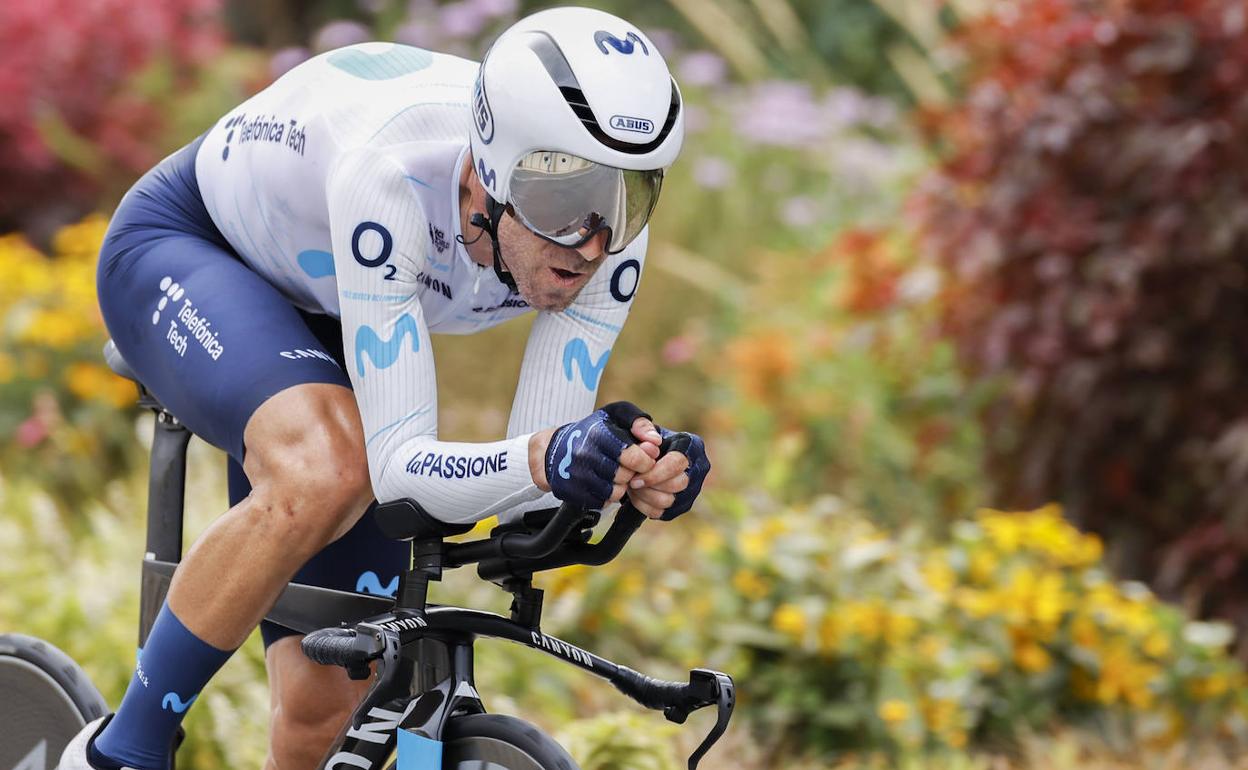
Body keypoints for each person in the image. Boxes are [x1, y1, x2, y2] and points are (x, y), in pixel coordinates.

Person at [58, 6, 711, 770]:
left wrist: (622, 470)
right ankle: (118, 752)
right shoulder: (393, 174)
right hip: (190, 245)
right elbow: (405, 466)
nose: (593, 243)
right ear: (490, 170)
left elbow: (534, 486)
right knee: (327, 467)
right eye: (562, 201)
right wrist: (547, 457)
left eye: (628, 195)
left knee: (329, 711)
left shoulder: (608, 243)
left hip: (336, 298)